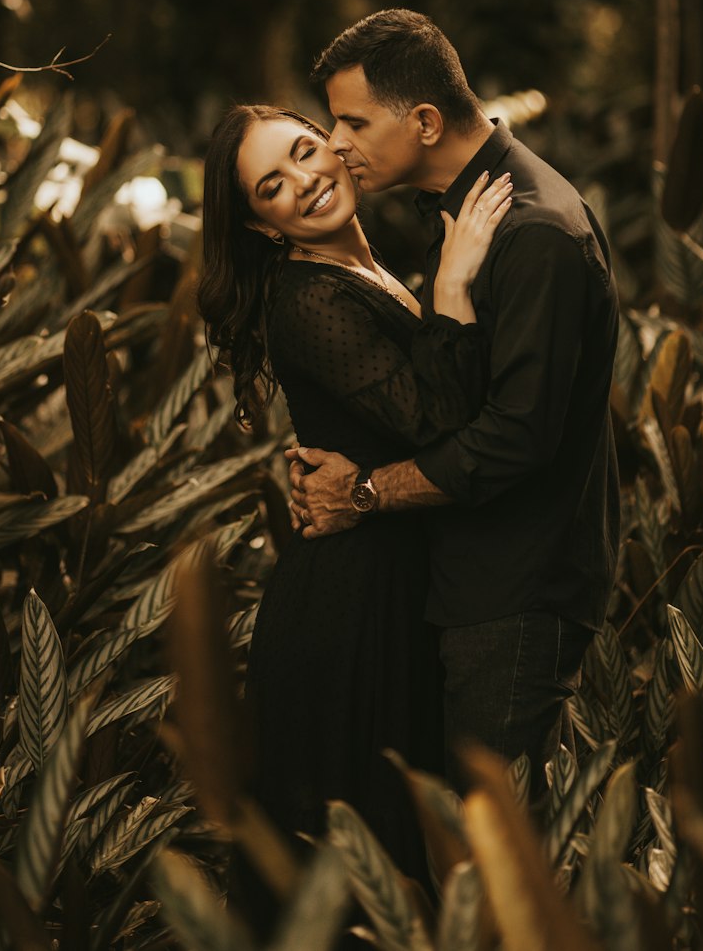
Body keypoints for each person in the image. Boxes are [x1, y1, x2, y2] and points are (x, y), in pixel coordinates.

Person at [288, 9, 620, 794]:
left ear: (426, 121)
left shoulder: (534, 232)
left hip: (517, 588)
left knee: (492, 852)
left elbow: (514, 438)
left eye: (353, 122)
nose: (336, 143)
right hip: (476, 578)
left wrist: (365, 492)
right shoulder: (471, 214)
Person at [197, 103, 511, 895]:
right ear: (264, 226)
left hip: (393, 576)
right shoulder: (308, 299)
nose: (305, 180)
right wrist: (452, 279)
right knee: (355, 866)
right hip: (350, 607)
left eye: (306, 151)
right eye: (273, 184)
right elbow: (436, 421)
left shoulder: (361, 269)